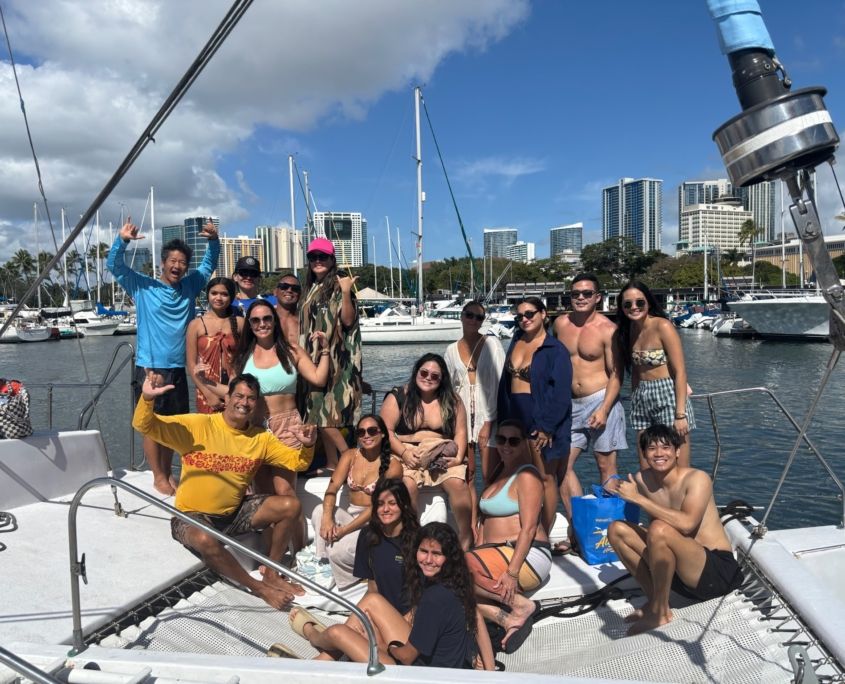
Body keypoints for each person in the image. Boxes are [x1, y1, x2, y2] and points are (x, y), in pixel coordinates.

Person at [132, 372, 317, 609]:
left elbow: (297, 462)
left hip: (233, 514)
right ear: (228, 397)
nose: (244, 402)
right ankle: (258, 587)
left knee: (290, 505)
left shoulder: (260, 438)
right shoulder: (198, 425)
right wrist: (147, 398)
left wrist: (307, 445)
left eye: (251, 398)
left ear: (257, 403)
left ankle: (271, 572)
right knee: (203, 537)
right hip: (191, 516)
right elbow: (144, 424)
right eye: (238, 395)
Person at [107, 217, 220, 495]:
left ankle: (169, 473)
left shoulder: (190, 286)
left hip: (179, 368)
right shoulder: (142, 286)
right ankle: (157, 475)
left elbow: (208, 266)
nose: (177, 266)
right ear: (163, 262)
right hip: (150, 368)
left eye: (182, 262)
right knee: (150, 425)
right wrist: (121, 240)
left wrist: (214, 241)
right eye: (173, 261)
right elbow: (115, 266)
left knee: (173, 425)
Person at [290, 522, 494, 670]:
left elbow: (406, 657)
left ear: (448, 557)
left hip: (413, 674)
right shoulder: (456, 584)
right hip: (436, 666)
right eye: (423, 551)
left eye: (436, 554)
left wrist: (387, 646)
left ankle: (314, 638)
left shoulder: (434, 599)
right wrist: (490, 671)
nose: (428, 560)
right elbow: (476, 616)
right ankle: (322, 659)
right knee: (372, 601)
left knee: (337, 633)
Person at [609, 425, 743, 635]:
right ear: (644, 453)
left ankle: (661, 612)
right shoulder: (643, 480)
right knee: (617, 530)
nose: (659, 453)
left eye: (666, 447)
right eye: (652, 448)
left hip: (716, 573)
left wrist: (637, 499)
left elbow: (687, 524)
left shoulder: (697, 479)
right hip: (681, 573)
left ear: (678, 451)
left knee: (659, 529)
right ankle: (655, 602)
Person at [553, 273, 626, 554]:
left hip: (600, 401)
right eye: (575, 294)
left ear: (597, 297)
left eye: (586, 293)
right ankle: (579, 532)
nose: (580, 298)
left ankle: (613, 540)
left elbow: (617, 374)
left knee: (607, 471)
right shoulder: (560, 324)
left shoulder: (608, 329)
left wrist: (605, 409)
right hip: (570, 405)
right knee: (562, 468)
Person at [233, 300, 330, 504]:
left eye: (267, 318)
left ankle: (294, 536)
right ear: (249, 325)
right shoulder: (243, 356)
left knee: (285, 492)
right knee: (262, 494)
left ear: (275, 321)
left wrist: (325, 351)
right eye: (256, 320)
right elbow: (232, 395)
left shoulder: (291, 351)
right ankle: (271, 535)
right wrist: (203, 382)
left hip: (288, 427)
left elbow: (318, 378)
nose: (262, 324)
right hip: (254, 429)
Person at [466, 419, 549, 654]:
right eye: (501, 439)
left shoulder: (527, 476)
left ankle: (520, 605)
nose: (506, 445)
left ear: (525, 443)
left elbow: (529, 528)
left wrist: (512, 572)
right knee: (448, 578)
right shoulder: (499, 473)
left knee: (455, 568)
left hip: (527, 556)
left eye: (513, 441)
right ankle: (506, 619)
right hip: (497, 553)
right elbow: (485, 525)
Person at [380, 353, 473, 550]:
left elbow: (461, 432)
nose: (428, 378)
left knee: (458, 485)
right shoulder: (398, 396)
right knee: (408, 485)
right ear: (416, 372)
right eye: (424, 372)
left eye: (435, 376)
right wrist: (404, 453)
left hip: (439, 452)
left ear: (442, 380)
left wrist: (457, 459)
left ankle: (466, 538)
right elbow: (385, 430)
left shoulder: (452, 401)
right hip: (405, 450)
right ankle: (411, 537)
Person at [497, 297, 572, 534]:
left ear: (543, 314)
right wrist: (502, 422)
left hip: (540, 419)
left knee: (546, 478)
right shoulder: (517, 340)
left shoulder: (555, 349)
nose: (525, 319)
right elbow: (505, 384)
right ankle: (520, 527)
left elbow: (561, 393)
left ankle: (543, 534)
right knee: (518, 474)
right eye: (519, 316)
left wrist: (546, 427)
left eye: (530, 314)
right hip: (514, 417)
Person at [311, 415, 403, 591]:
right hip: (351, 515)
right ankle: (323, 561)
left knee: (338, 551)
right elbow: (332, 489)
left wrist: (344, 530)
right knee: (318, 511)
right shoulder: (350, 456)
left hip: (375, 522)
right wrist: (327, 519)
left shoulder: (393, 466)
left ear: (383, 434)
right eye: (361, 432)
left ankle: (350, 580)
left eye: (372, 431)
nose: (366, 435)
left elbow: (377, 508)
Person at [613, 281, 695, 468]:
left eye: (639, 302)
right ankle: (651, 497)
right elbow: (635, 370)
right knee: (646, 463)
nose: (634, 307)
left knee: (676, 463)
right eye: (628, 304)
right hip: (642, 396)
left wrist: (680, 415)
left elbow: (680, 371)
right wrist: (634, 398)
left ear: (648, 302)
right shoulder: (628, 331)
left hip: (667, 394)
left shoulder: (662, 326)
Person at [300, 237, 363, 474]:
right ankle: (332, 463)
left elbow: (348, 320)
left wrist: (347, 292)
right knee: (321, 413)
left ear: (331, 259)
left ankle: (350, 458)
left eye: (322, 256)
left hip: (338, 362)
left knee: (323, 414)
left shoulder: (339, 284)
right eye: (313, 257)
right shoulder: (310, 287)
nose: (317, 261)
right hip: (315, 360)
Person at [444, 300, 505, 489]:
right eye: (469, 315)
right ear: (461, 316)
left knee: (490, 475)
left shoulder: (492, 344)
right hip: (463, 418)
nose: (473, 320)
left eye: (479, 317)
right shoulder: (451, 350)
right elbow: (447, 387)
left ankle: (488, 517)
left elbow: (500, 384)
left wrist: (488, 422)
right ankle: (472, 519)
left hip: (489, 416)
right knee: (467, 473)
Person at [352, 478, 421, 614]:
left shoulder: (418, 540)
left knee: (338, 633)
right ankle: (309, 628)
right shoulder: (367, 535)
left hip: (411, 616)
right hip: (381, 613)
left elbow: (426, 593)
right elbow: (372, 586)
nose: (385, 509)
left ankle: (308, 628)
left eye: (392, 503)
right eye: (380, 504)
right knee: (338, 632)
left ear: (404, 505)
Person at [186, 277, 243, 413]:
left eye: (224, 294)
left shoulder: (240, 323)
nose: (219, 298)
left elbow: (245, 358)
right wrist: (208, 394)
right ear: (207, 295)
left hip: (235, 387)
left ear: (231, 297)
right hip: (207, 387)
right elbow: (191, 365)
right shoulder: (196, 325)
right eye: (214, 293)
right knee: (208, 430)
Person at [273, 272, 302, 346]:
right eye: (284, 286)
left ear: (300, 294)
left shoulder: (305, 322)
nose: (289, 290)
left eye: (295, 288)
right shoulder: (265, 319)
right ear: (275, 292)